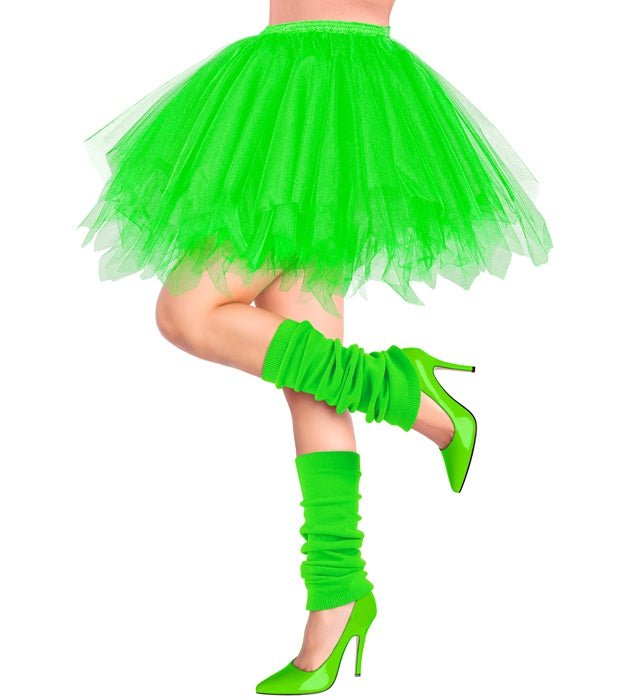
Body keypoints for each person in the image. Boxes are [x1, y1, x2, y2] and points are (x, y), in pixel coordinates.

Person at [78, 0, 552, 694]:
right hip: (277, 93)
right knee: (309, 377)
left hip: (339, 97)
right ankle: (338, 590)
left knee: (187, 311)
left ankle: (404, 391)